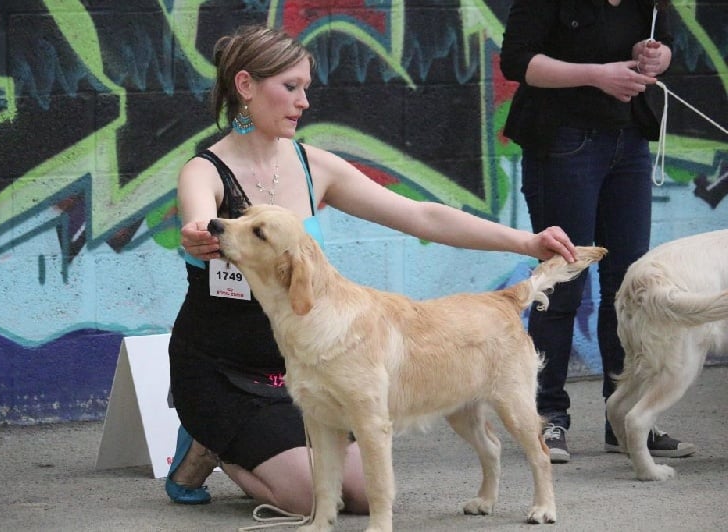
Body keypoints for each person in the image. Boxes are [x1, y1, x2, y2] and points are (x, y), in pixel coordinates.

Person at [166, 24, 577, 516]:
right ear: (246, 86)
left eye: (306, 88)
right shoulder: (204, 170)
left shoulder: (314, 166)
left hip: (310, 367)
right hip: (224, 371)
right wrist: (198, 233)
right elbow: (198, 220)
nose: (303, 102)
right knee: (304, 496)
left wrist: (526, 242)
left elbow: (421, 216)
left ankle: (256, 448)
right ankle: (210, 445)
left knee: (358, 496)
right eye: (290, 87)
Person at [500, 0, 695, 464]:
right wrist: (597, 75)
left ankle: (626, 420)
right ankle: (547, 417)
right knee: (562, 281)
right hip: (564, 141)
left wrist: (658, 58)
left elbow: (667, 45)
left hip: (630, 141)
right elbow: (517, 62)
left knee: (629, 285)